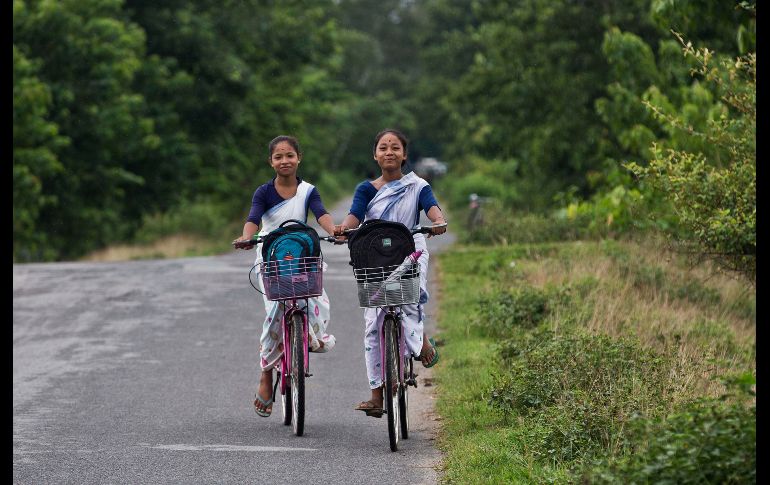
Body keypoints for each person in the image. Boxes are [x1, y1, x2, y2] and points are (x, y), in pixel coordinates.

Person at [334, 129, 447, 418]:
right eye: (383, 148)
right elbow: (354, 216)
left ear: (404, 154)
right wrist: (343, 229)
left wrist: (437, 221)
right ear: (375, 155)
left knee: (409, 299)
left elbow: (432, 210)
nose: (389, 152)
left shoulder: (417, 185)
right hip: (375, 250)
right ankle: (376, 395)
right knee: (373, 324)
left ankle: (419, 341)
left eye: (395, 147)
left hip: (409, 246)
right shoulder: (366, 189)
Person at [234, 135, 337, 417]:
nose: (284, 161)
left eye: (289, 155)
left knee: (315, 302)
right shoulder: (263, 192)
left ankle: (307, 340)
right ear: (271, 162)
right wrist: (246, 237)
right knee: (273, 314)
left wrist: (334, 230)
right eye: (278, 157)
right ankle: (266, 374)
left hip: (302, 253)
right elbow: (253, 219)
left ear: (299, 158)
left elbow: (321, 215)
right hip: (271, 257)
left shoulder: (308, 191)